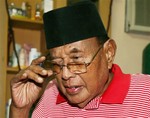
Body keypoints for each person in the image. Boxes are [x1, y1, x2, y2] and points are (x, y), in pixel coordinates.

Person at [10, 1, 150, 117]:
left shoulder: (145, 93)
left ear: (108, 53)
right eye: (57, 64)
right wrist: (20, 109)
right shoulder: (51, 95)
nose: (65, 75)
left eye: (76, 60)